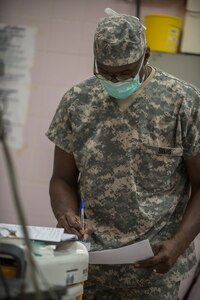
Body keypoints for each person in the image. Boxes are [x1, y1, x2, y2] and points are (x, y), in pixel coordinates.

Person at [46, 8, 200, 300]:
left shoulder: (184, 102)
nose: (116, 81)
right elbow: (61, 179)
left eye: (126, 72)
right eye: (105, 72)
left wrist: (178, 244)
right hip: (90, 264)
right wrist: (65, 213)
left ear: (147, 55)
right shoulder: (78, 102)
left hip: (155, 269)